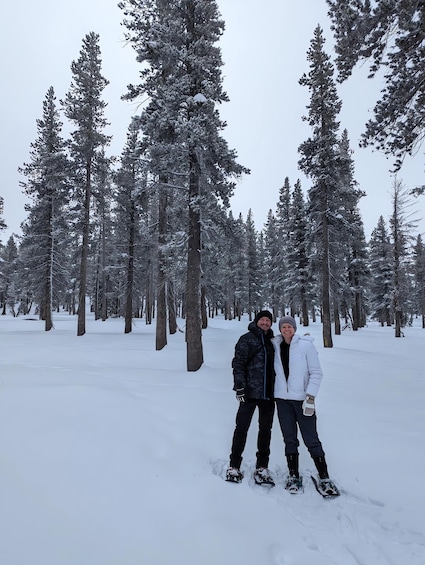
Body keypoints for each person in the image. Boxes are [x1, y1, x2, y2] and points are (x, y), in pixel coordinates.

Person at [272, 315, 339, 496]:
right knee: (289, 438)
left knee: (311, 438)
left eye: (289, 326)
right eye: (283, 326)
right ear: (280, 329)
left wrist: (310, 396)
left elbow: (316, 373)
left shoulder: (306, 346)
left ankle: (324, 476)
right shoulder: (275, 346)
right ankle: (293, 475)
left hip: (303, 400)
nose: (286, 329)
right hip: (282, 400)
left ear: (294, 328)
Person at [226, 310, 276, 485]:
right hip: (248, 393)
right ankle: (234, 466)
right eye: (262, 319)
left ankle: (262, 467)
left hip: (268, 395)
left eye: (267, 320)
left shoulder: (272, 341)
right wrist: (240, 387)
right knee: (241, 428)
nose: (264, 322)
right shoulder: (246, 339)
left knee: (265, 431)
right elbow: (238, 364)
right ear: (256, 321)